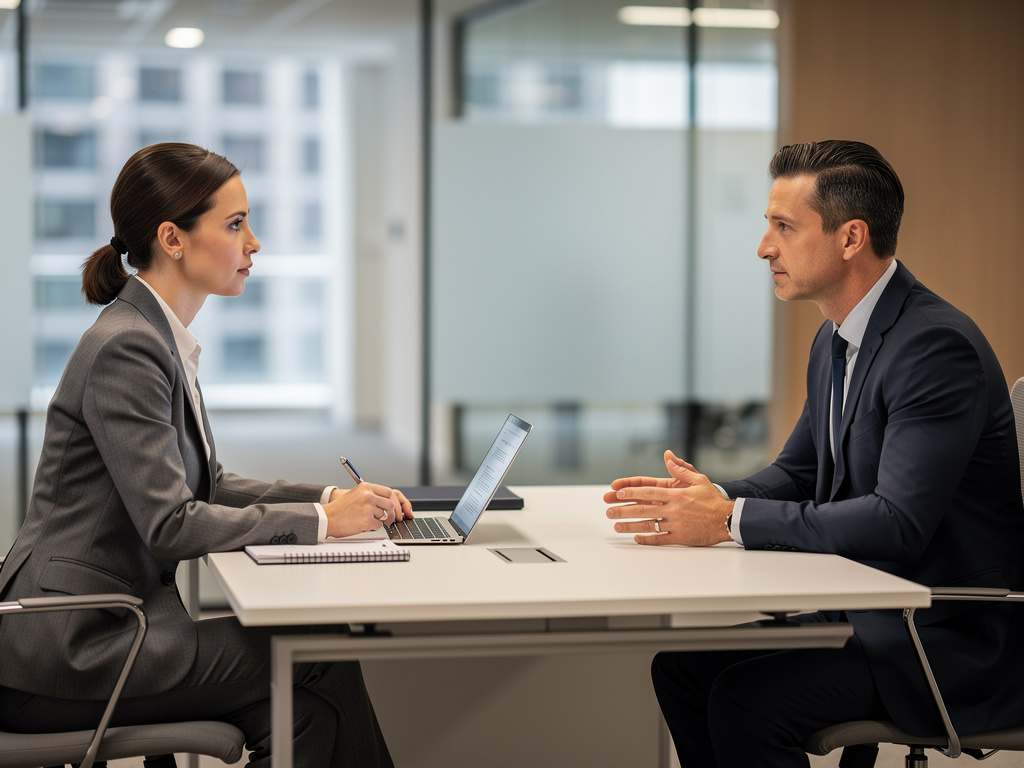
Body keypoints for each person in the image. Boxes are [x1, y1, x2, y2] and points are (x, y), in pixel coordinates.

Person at [604, 140, 1024, 766]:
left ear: (851, 238)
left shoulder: (935, 347)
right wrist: (714, 499)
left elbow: (896, 523)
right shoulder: (836, 338)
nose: (763, 247)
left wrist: (726, 521)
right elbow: (799, 473)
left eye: (783, 227)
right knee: (683, 670)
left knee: (744, 701)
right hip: (871, 612)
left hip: (940, 638)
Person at [0, 143, 413, 767]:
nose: (254, 244)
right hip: (71, 650)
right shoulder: (128, 348)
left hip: (102, 628)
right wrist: (325, 526)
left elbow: (208, 485)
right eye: (235, 224)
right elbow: (170, 523)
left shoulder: (156, 337)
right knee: (317, 650)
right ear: (173, 238)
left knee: (303, 711)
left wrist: (329, 499)